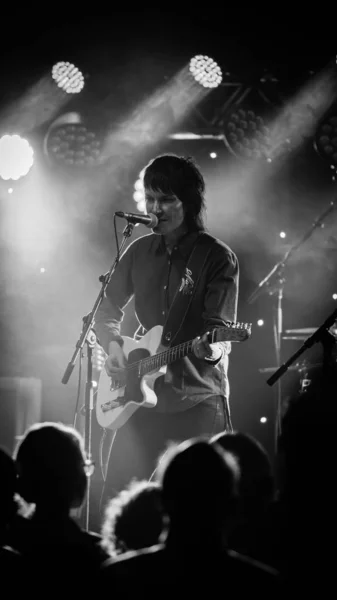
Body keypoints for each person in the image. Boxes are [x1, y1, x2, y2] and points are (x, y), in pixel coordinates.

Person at [94, 153, 239, 511]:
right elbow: (106, 308)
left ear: (188, 203)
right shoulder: (138, 250)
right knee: (118, 497)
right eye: (150, 198)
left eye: (166, 200)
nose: (155, 208)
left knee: (198, 504)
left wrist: (212, 348)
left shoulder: (216, 257)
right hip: (139, 392)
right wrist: (113, 346)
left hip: (196, 397)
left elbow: (218, 333)